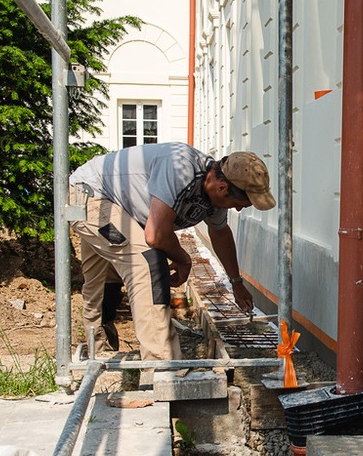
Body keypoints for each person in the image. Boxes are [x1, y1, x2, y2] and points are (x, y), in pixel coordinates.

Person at [69, 142, 276, 361]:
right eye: (239, 203)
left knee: (105, 279)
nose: (239, 209)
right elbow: (156, 235)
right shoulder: (181, 169)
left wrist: (236, 283)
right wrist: (183, 259)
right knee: (147, 263)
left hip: (120, 206)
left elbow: (220, 234)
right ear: (222, 188)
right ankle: (161, 366)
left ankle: (100, 353)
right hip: (91, 196)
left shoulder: (214, 195)